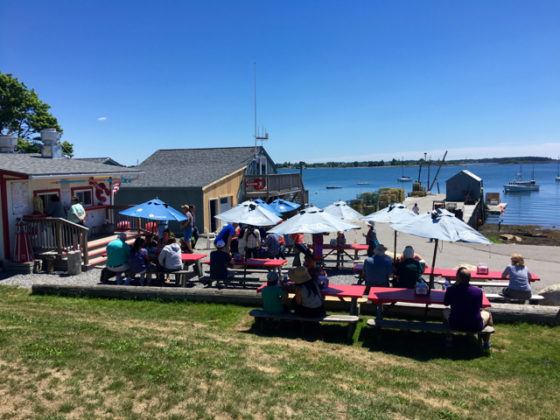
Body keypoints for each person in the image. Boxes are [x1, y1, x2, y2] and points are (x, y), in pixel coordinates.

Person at [444, 267, 493, 347]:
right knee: (488, 314)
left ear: (458, 278)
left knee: (445, 311)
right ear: (470, 278)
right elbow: (480, 306)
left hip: (455, 323)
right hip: (475, 325)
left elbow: (446, 303)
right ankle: (486, 342)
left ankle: (449, 338)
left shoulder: (451, 290)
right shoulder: (478, 291)